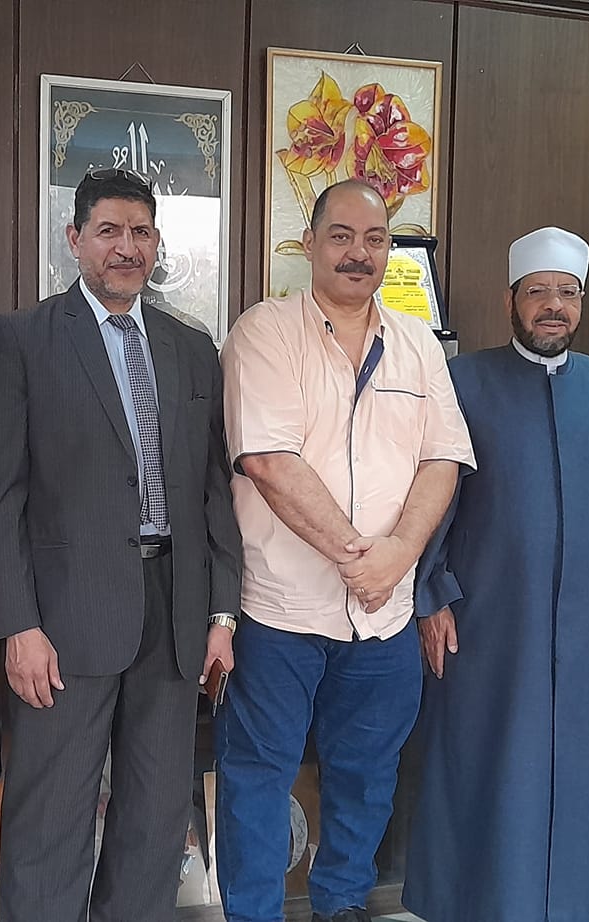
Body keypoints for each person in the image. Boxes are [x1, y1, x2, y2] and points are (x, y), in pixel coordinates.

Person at [0, 168, 242, 922]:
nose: (127, 247)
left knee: (156, 818)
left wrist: (222, 615)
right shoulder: (23, 339)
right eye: (109, 231)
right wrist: (17, 626)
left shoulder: (191, 347)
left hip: (176, 611)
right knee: (50, 819)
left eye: (141, 232)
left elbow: (213, 489)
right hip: (63, 619)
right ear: (75, 239)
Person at [217, 179, 474, 922]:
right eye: (341, 236)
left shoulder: (417, 344)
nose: (358, 254)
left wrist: (400, 554)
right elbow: (269, 461)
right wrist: (365, 557)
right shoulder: (264, 332)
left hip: (384, 618)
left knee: (367, 778)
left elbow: (444, 458)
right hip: (280, 612)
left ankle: (341, 905)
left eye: (374, 239)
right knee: (258, 778)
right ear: (309, 245)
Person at [401, 225, 589, 921]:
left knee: (585, 768)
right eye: (539, 292)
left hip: (586, 622)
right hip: (489, 617)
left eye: (567, 293)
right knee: (490, 764)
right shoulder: (464, 381)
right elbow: (435, 499)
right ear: (512, 300)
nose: (553, 306)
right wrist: (431, 598)